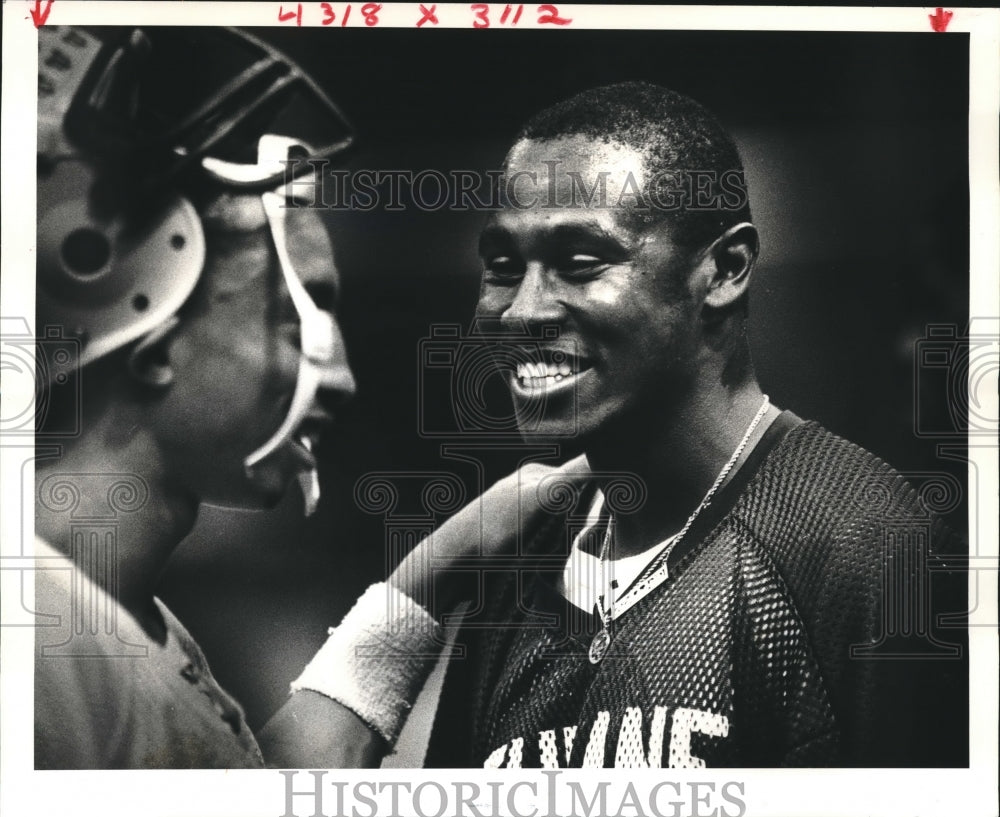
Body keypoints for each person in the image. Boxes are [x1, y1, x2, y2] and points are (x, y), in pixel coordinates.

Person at [262, 81, 968, 769]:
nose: (521, 310)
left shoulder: (868, 544)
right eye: (503, 267)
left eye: (579, 261)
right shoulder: (523, 555)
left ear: (724, 269)